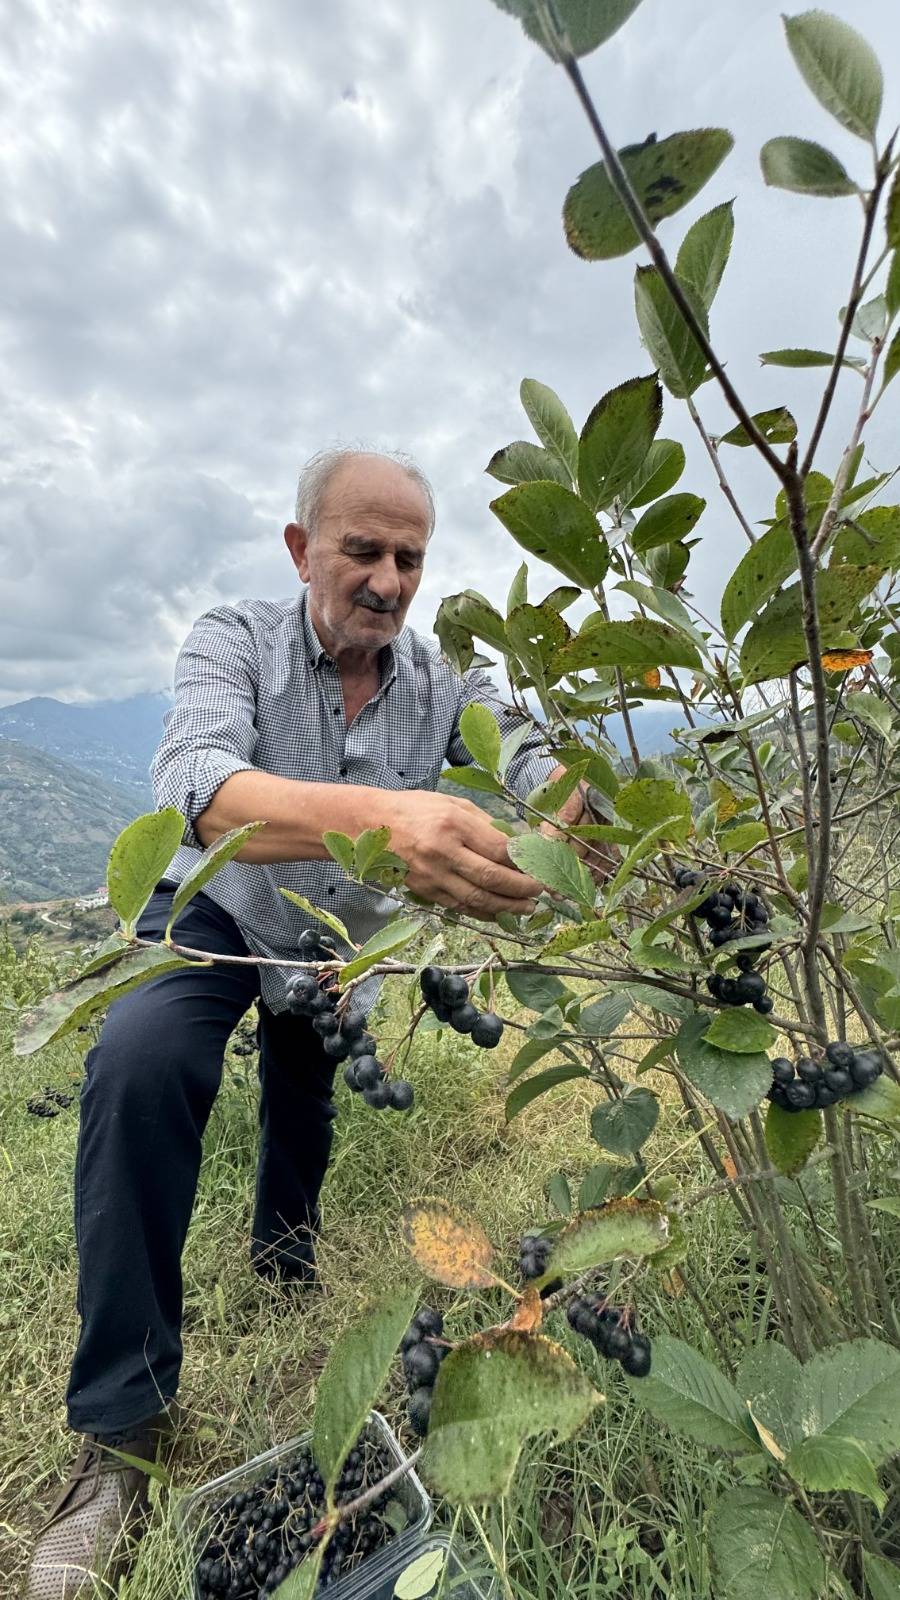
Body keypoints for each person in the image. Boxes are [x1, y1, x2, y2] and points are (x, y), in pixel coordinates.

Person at [26, 446, 593, 1599]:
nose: (388, 579)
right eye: (364, 550)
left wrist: (586, 816)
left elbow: (528, 759)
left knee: (307, 1099)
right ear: (302, 550)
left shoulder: (442, 685)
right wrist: (384, 822)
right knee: (139, 1064)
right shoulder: (229, 639)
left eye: (411, 558)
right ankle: (121, 1436)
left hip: (327, 948)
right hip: (211, 911)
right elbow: (194, 780)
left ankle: (285, 1258)